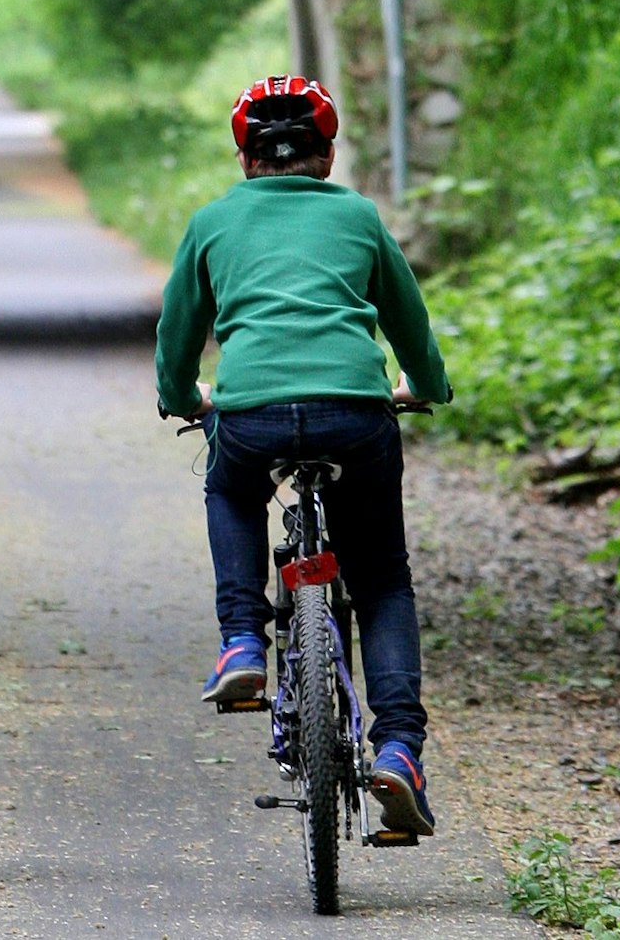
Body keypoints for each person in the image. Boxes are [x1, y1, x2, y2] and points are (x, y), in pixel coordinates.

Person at [153, 75, 453, 838]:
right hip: (355, 412)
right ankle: (398, 749)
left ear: (246, 156)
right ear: (324, 155)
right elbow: (407, 319)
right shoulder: (357, 216)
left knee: (230, 490)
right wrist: (424, 385)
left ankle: (242, 640)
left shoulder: (213, 221)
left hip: (250, 411)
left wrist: (184, 396)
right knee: (383, 577)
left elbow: (178, 334)